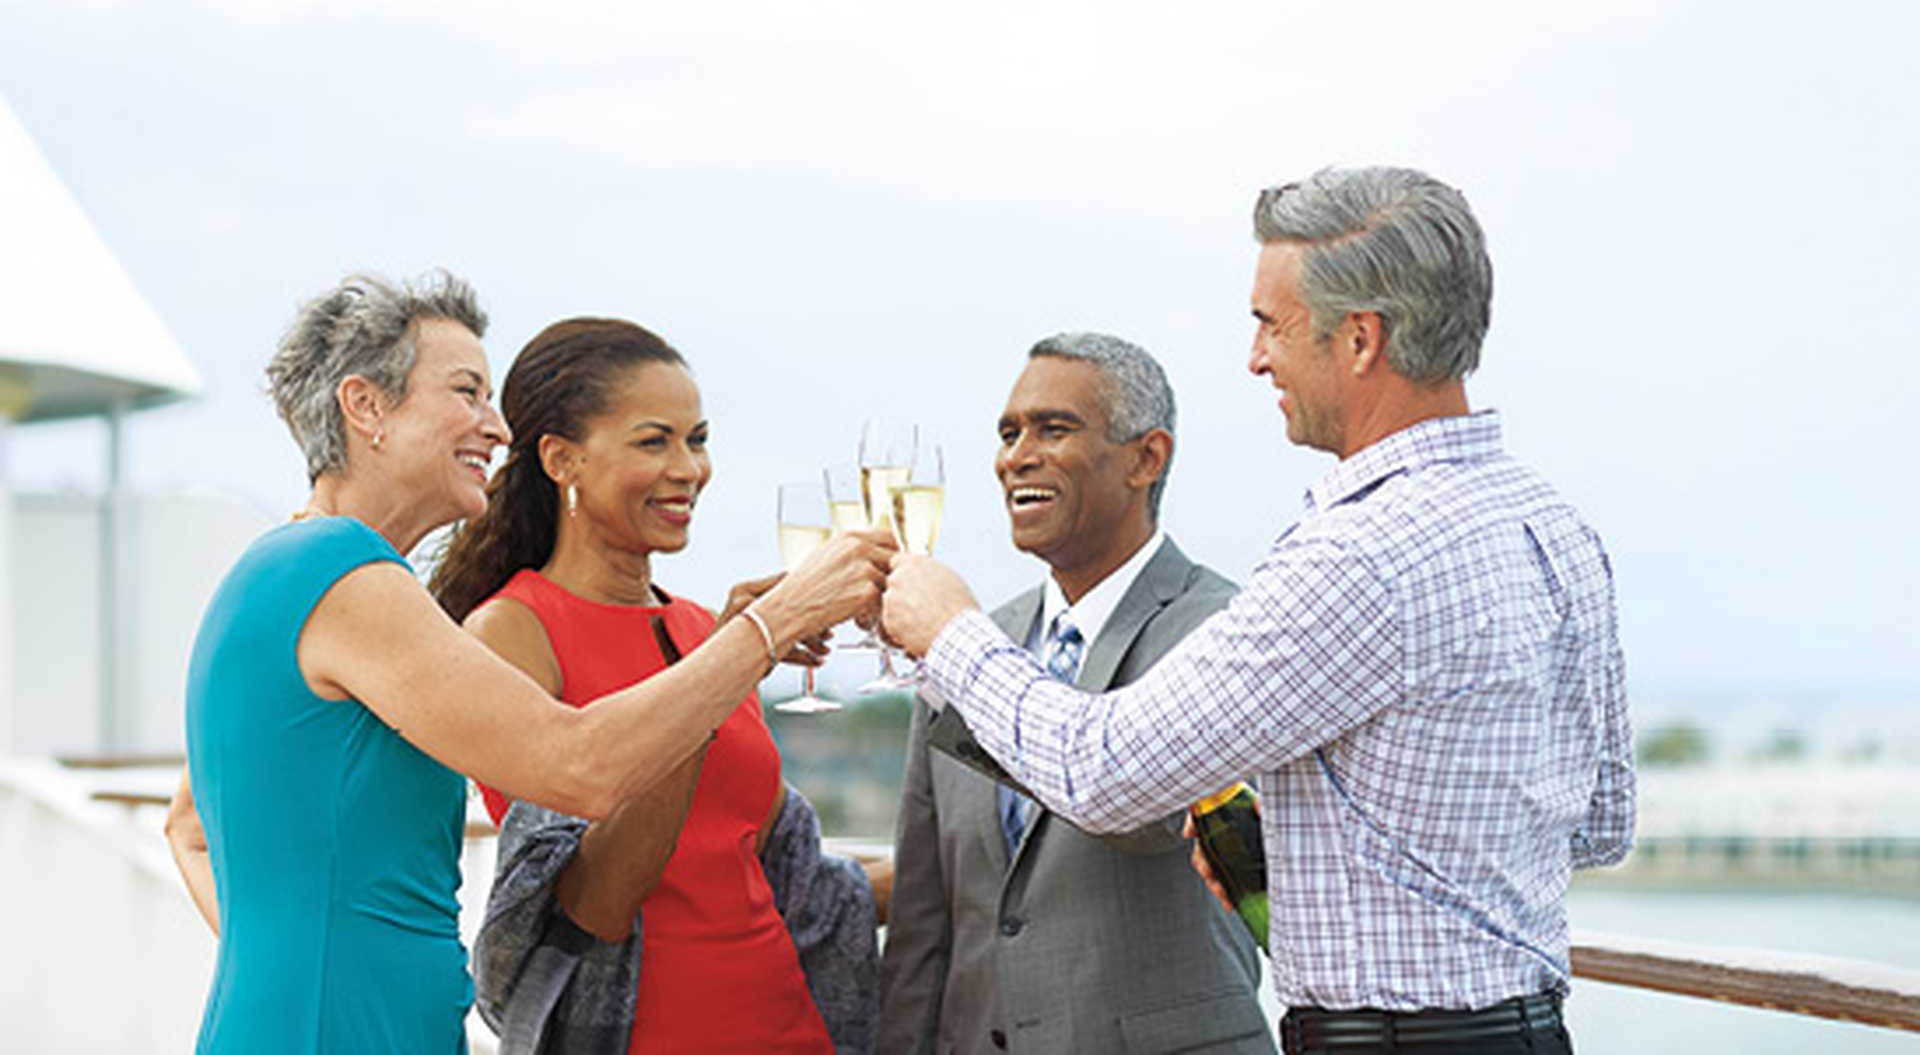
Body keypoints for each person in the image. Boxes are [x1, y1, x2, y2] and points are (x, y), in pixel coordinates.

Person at [882, 167, 1634, 1055]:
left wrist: (950, 629)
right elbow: (1599, 823)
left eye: (1269, 324)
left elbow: (1103, 771)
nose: (1256, 357)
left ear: (1359, 339)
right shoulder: (1556, 527)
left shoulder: (1361, 552)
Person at [164, 274, 889, 1054]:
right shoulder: (340, 574)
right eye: (467, 391)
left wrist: (301, 957)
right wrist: (773, 625)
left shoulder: (298, 572)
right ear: (366, 406)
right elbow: (579, 764)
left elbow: (189, 829)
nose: (498, 425)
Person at [430, 317, 887, 1054]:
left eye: (697, 439)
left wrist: (986, 863)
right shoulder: (510, 633)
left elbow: (773, 873)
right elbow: (596, 899)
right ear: (561, 459)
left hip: (793, 1028)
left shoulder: (709, 628)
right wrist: (742, 651)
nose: (690, 468)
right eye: (655, 441)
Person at [879, 332, 1274, 1054]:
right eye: (1008, 432)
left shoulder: (1226, 627)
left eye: (1052, 428)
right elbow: (922, 921)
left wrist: (960, 645)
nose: (1015, 456)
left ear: (1146, 458)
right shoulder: (968, 643)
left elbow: (1147, 811)